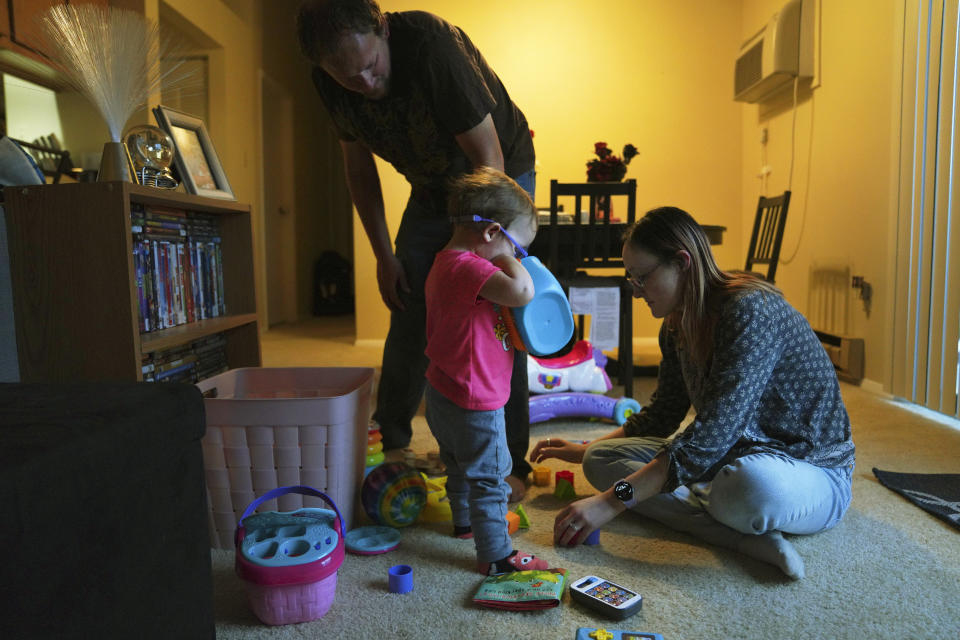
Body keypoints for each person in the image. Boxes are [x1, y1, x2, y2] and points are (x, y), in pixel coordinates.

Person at [530, 206, 855, 580]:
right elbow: (663, 415)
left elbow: (710, 435)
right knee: (601, 462)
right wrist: (585, 448)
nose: (636, 292)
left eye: (642, 278)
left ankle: (716, 505)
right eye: (631, 279)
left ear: (682, 262)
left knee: (747, 489)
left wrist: (611, 502)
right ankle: (739, 538)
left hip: (810, 469)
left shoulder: (750, 310)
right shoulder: (675, 326)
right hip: (729, 458)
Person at [296, 0, 535, 500]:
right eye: (346, 77)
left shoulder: (431, 47)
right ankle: (392, 444)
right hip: (430, 189)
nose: (362, 83)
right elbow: (359, 171)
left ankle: (506, 462)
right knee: (408, 305)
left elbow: (487, 159)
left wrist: (473, 254)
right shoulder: (328, 81)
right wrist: (385, 256)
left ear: (382, 28)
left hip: (496, 175)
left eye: (370, 65)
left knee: (498, 318)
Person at [424, 167, 549, 575]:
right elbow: (523, 291)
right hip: (474, 397)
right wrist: (511, 262)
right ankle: (495, 555)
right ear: (492, 234)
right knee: (491, 477)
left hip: (443, 387)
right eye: (518, 249)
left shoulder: (445, 262)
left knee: (459, 465)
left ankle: (464, 524)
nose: (519, 260)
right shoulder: (471, 268)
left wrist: (507, 255)